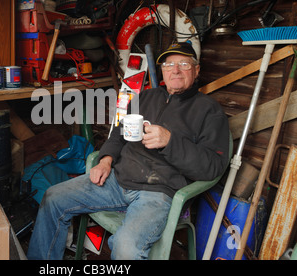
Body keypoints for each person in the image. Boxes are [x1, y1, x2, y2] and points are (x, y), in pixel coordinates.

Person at [27, 41, 230, 260]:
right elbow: (118, 134)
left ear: (196, 70)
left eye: (184, 64)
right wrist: (105, 159)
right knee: (53, 197)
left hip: (157, 193)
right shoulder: (145, 98)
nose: (176, 70)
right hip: (117, 179)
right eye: (169, 64)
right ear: (162, 70)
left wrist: (170, 142)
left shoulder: (209, 111)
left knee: (126, 248)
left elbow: (212, 167)